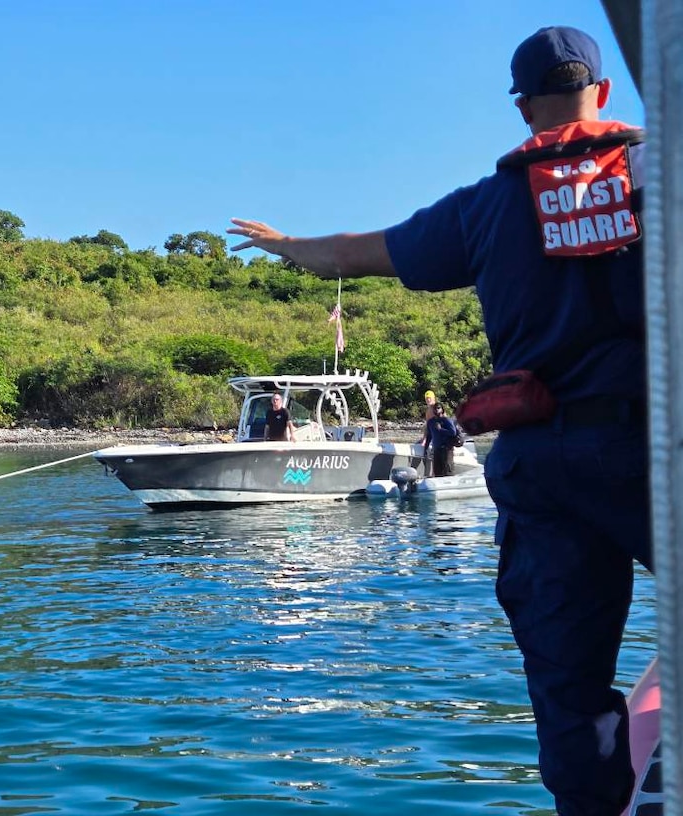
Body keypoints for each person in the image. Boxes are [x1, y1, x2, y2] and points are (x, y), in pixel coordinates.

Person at [228, 25, 650, 816]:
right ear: (601, 93)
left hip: (540, 465)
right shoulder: (654, 173)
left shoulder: (484, 207)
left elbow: (354, 253)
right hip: (652, 449)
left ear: (522, 107)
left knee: (567, 683)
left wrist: (286, 245)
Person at [423, 402, 459, 477]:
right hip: (436, 449)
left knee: (447, 471)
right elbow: (429, 436)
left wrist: (441, 429)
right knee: (437, 472)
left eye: (438, 408)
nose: (436, 410)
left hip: (446, 449)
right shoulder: (431, 422)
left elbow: (453, 432)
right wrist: (426, 448)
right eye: (435, 408)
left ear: (442, 409)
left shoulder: (446, 420)